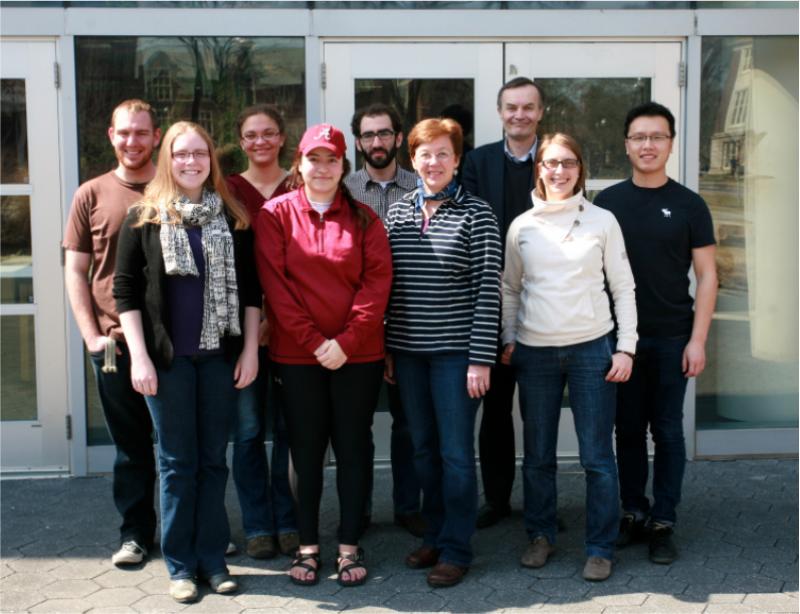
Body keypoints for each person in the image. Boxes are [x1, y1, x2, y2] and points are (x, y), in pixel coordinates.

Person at [114, 121, 261, 602]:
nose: (191, 161)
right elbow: (126, 293)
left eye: (200, 153)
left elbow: (253, 295)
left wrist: (252, 351)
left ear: (211, 161)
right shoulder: (143, 218)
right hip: (168, 362)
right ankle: (180, 566)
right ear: (167, 160)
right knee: (177, 464)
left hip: (220, 359)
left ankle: (213, 559)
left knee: (213, 462)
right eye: (181, 154)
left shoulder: (234, 218)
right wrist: (139, 357)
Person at [255, 123, 392, 588]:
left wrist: (347, 342)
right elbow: (276, 286)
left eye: (332, 159)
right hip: (298, 358)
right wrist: (315, 342)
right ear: (300, 163)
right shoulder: (275, 216)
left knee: (353, 450)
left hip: (358, 357)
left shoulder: (366, 220)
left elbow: (377, 286)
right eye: (314, 159)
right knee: (306, 452)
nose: (322, 167)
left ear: (342, 167)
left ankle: (349, 544)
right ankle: (309, 544)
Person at [502, 133, 637, 582]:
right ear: (538, 168)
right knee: (538, 455)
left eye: (568, 163)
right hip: (535, 352)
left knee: (597, 456)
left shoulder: (603, 221)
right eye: (550, 163)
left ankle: (600, 547)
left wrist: (626, 346)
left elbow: (623, 286)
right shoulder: (522, 226)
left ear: (580, 168)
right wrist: (508, 337)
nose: (558, 172)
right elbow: (510, 288)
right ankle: (541, 536)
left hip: (592, 350)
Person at [594, 102, 717, 565]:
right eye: (639, 137)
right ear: (626, 144)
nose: (648, 145)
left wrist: (698, 339)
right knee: (625, 430)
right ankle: (632, 512)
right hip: (620, 341)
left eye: (657, 137)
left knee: (667, 431)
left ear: (670, 143)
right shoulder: (607, 204)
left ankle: (664, 519)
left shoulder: (689, 204)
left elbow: (707, 275)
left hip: (671, 338)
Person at [385, 118, 502, 588]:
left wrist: (480, 359)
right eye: (424, 154)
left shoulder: (478, 215)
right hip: (409, 354)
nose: (433, 162)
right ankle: (434, 534)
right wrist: (390, 348)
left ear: (457, 160)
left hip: (457, 356)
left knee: (455, 454)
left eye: (442, 153)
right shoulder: (395, 214)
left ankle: (457, 548)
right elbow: (390, 289)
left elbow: (488, 292)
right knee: (423, 450)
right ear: (412, 160)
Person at [63, 99, 161, 568]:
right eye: (124, 132)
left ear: (156, 137)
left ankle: (194, 530)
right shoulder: (91, 193)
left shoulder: (174, 189)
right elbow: (75, 271)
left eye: (141, 132)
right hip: (114, 346)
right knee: (131, 447)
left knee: (185, 445)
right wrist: (90, 335)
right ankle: (137, 534)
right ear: (111, 135)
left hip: (171, 342)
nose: (132, 141)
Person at [461, 77, 545, 529]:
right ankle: (496, 500)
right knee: (495, 412)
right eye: (512, 107)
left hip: (546, 305)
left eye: (528, 107)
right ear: (499, 112)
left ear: (540, 112)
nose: (519, 115)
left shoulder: (554, 160)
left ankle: (540, 504)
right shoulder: (477, 162)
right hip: (492, 306)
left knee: (539, 412)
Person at [344, 103, 424, 538]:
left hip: (409, 323)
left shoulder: (420, 186)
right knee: (355, 426)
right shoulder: (344, 189)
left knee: (407, 424)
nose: (377, 142)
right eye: (368, 134)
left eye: (384, 134)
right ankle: (358, 512)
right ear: (358, 141)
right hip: (358, 326)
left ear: (398, 138)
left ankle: (408, 506)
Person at [225, 103, 298, 560]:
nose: (260, 142)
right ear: (241, 141)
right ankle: (256, 525)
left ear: (282, 137)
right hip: (242, 329)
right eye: (251, 135)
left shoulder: (301, 182)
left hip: (294, 326)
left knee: (292, 430)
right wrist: (257, 322)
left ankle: (289, 520)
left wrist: (280, 317)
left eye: (268, 133)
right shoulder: (226, 190)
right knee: (249, 430)